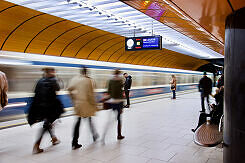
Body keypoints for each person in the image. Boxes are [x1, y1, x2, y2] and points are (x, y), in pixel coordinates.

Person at [28, 67, 63, 154]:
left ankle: (54, 138)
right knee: (47, 125)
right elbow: (58, 88)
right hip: (50, 108)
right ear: (51, 72)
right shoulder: (53, 81)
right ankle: (36, 145)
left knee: (48, 123)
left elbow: (36, 93)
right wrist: (57, 78)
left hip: (40, 107)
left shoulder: (40, 81)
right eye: (53, 71)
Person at [68, 66, 99, 150]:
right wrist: (95, 105)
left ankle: (74, 142)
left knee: (78, 122)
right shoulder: (88, 80)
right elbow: (90, 95)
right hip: (86, 104)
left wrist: (73, 99)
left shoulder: (74, 79)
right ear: (86, 72)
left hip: (78, 104)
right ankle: (94, 135)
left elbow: (69, 89)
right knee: (89, 119)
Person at [102, 69, 125, 141]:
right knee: (119, 120)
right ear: (119, 73)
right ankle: (119, 135)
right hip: (119, 102)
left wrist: (105, 98)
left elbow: (108, 91)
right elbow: (121, 93)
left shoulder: (110, 81)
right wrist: (122, 106)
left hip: (112, 102)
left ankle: (104, 135)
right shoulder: (121, 81)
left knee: (109, 119)